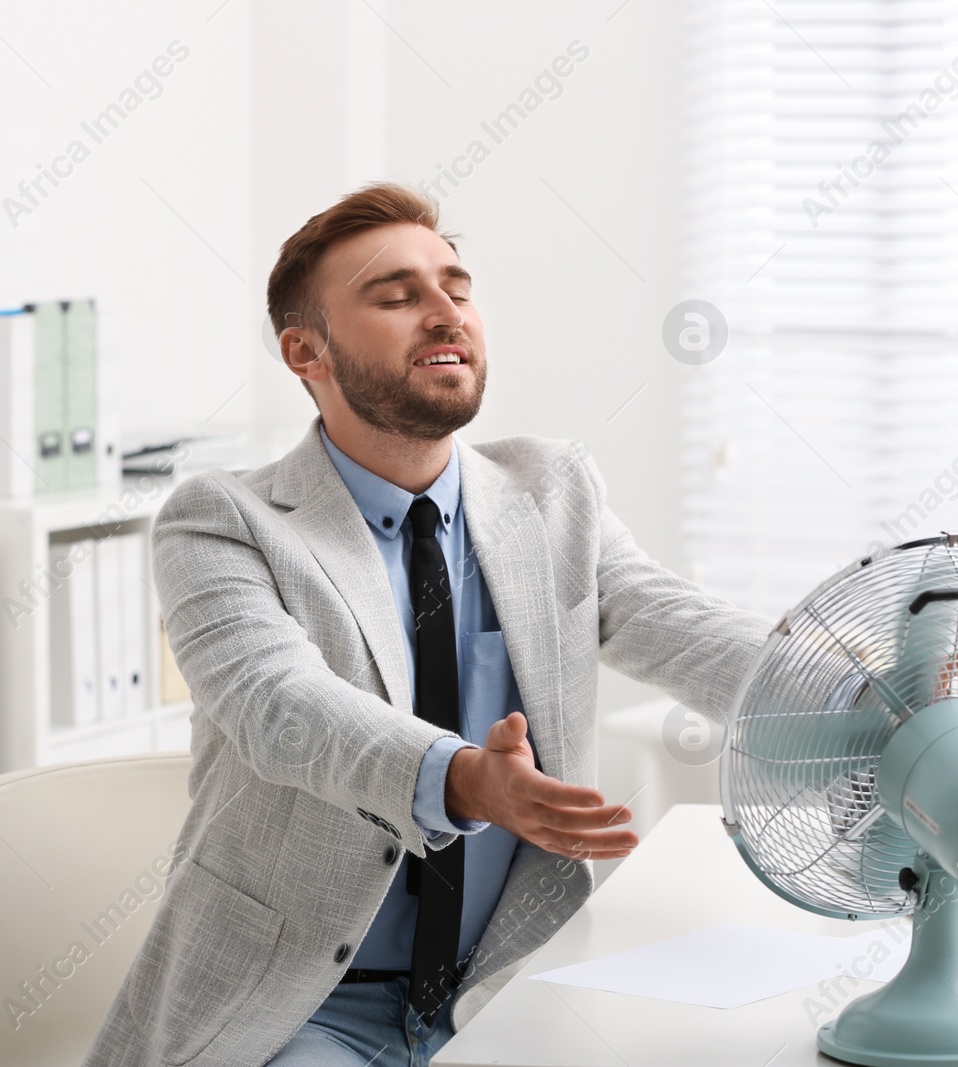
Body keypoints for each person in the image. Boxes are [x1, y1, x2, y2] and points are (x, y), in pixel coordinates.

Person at [82, 182, 772, 1067]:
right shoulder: (223, 519)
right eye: (397, 295)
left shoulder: (551, 491)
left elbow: (672, 621)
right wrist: (463, 780)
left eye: (457, 286)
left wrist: (855, 677)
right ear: (307, 352)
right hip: (306, 1007)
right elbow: (279, 706)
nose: (446, 313)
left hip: (506, 987)